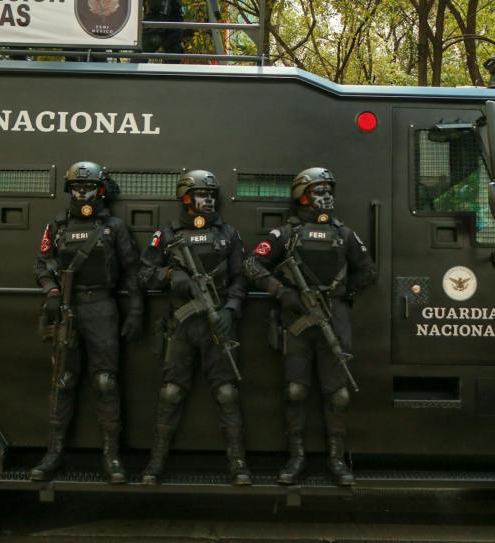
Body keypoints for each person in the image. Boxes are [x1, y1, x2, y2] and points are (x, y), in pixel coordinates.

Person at [244, 167, 376, 486]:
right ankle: (297, 458)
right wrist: (283, 293)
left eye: (329, 189)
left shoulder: (344, 234)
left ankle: (336, 460)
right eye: (319, 190)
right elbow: (251, 265)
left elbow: (368, 272)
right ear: (302, 195)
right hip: (297, 322)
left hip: (334, 318)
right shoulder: (285, 234)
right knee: (295, 390)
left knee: (339, 394)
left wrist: (341, 295)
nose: (326, 196)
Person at [31, 161, 143, 484]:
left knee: (106, 382)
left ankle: (112, 456)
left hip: (102, 308)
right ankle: (53, 453)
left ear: (100, 190)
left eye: (89, 188)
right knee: (62, 380)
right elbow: (41, 263)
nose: (83, 193)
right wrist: (50, 290)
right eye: (77, 188)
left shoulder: (114, 228)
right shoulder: (57, 226)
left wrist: (135, 311)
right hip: (67, 308)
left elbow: (133, 271)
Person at [139, 170, 251, 485]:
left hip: (218, 322)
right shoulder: (168, 234)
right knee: (171, 392)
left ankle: (238, 463)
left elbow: (240, 277)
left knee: (227, 393)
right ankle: (156, 462)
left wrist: (231, 308)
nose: (208, 201)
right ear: (186, 198)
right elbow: (144, 274)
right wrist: (171, 277)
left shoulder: (228, 233)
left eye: (212, 195)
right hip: (182, 324)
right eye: (202, 194)